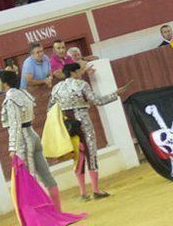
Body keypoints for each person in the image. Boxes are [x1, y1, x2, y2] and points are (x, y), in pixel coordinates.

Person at [49, 62, 126, 200]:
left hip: (68, 125)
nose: (81, 74)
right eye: (79, 72)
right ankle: (96, 190)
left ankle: (83, 193)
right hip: (83, 122)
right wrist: (115, 94)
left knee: (78, 155)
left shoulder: (56, 88)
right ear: (73, 73)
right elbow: (97, 101)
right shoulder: (82, 84)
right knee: (90, 153)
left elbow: (50, 109)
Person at [0, 69, 62, 209]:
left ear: (5, 83)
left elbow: (15, 125)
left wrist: (12, 147)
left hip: (23, 142)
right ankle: (57, 212)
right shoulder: (25, 94)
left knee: (30, 180)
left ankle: (43, 217)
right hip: (33, 135)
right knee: (46, 176)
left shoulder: (10, 99)